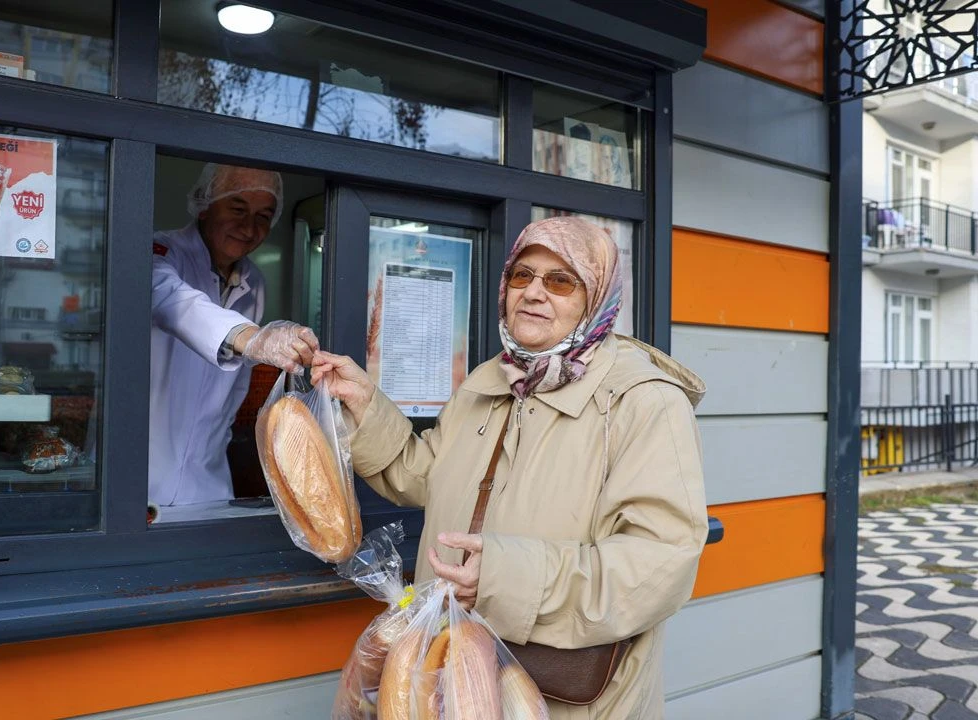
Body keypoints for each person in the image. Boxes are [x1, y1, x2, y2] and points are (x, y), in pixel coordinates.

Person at [312, 216, 707, 718]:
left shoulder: (643, 402)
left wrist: (501, 578)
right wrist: (367, 406)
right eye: (523, 275)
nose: (535, 293)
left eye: (561, 280)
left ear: (597, 298)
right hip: (452, 682)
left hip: (568, 700)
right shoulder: (491, 379)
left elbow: (660, 564)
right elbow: (427, 475)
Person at [150, 163, 318, 507]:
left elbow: (233, 393)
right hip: (138, 478)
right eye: (238, 209)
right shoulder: (159, 253)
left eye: (263, 216)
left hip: (208, 483)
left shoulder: (254, 282)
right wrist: (254, 339)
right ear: (205, 204)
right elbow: (172, 301)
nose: (249, 227)